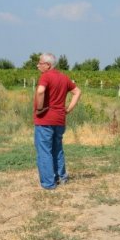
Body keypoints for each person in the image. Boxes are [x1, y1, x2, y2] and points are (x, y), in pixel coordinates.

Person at [33, 53, 81, 190]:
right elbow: (78, 92)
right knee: (57, 149)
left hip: (45, 120)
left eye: (40, 63)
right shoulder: (64, 77)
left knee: (44, 151)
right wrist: (68, 109)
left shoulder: (46, 76)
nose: (38, 65)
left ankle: (48, 183)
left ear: (48, 65)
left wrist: (40, 108)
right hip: (60, 119)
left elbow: (40, 91)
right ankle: (61, 177)